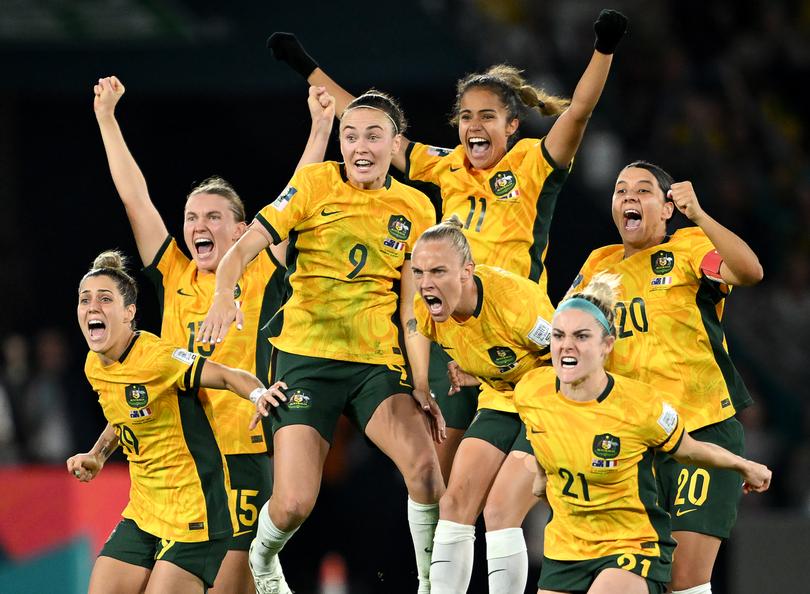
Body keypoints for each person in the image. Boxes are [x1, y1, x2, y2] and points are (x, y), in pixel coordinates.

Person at [266, 7, 628, 482]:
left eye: (488, 117)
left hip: (516, 334)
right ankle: (430, 560)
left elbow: (578, 112)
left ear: (512, 126)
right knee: (437, 473)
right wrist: (305, 66)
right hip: (456, 335)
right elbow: (372, 127)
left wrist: (603, 49)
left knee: (525, 483)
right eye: (466, 117)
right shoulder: (447, 164)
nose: (475, 126)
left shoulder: (533, 164)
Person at [92, 75, 332, 594]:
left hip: (242, 453)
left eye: (214, 217)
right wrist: (107, 120)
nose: (198, 225)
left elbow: (298, 197)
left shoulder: (264, 269)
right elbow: (136, 199)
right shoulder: (175, 272)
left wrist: (320, 129)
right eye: (191, 217)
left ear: (244, 229)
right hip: (177, 459)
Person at [199, 89, 445, 594]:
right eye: (349, 135)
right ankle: (264, 559)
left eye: (373, 136)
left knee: (425, 471)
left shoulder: (417, 207)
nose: (359, 146)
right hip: (306, 360)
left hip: (375, 364)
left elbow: (412, 310)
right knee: (292, 504)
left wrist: (421, 382)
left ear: (395, 143)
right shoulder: (313, 185)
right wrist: (225, 294)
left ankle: (430, 583)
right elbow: (243, 249)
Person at [568, 162, 765, 594]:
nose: (629, 198)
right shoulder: (598, 263)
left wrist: (701, 216)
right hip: (637, 439)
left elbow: (750, 272)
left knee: (685, 579)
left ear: (668, 208)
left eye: (643, 191)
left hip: (703, 428)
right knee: (633, 575)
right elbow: (563, 338)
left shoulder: (692, 246)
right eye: (621, 191)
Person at [513, 275, 771, 594]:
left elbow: (688, 450)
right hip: (566, 547)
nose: (567, 345)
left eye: (581, 336)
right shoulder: (531, 391)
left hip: (630, 545)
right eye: (558, 335)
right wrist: (540, 476)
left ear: (607, 345)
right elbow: (542, 433)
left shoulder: (640, 405)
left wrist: (743, 465)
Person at [67, 250, 288, 594]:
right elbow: (121, 416)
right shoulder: (93, 366)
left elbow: (228, 377)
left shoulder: (160, 358)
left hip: (195, 513)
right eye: (85, 300)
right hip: (145, 511)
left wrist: (259, 396)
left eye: (105, 299)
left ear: (129, 313)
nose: (92, 307)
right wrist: (98, 454)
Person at [409, 216, 554, 594]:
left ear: (466, 272)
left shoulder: (514, 302)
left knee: (500, 511)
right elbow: (426, 331)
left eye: (438, 270)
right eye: (419, 271)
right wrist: (455, 376)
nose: (426, 283)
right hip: (500, 398)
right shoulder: (427, 308)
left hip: (546, 403)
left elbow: (567, 358)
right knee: (454, 502)